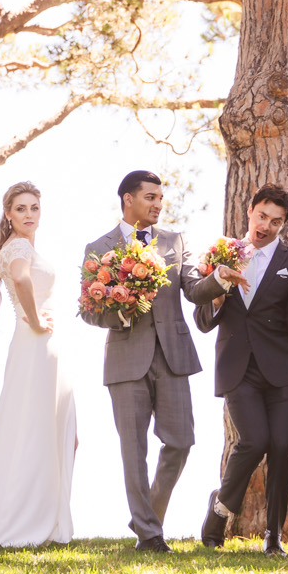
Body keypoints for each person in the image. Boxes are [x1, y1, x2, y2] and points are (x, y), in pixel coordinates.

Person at [187, 183, 288, 555]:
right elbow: (203, 321)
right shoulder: (221, 254)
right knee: (254, 440)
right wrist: (216, 291)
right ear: (249, 211)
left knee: (282, 446)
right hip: (238, 369)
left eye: (276, 222)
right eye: (262, 216)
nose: (266, 226)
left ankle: (273, 536)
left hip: (283, 372)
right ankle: (220, 509)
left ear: (283, 225)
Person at [79, 169, 204, 553]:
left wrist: (223, 280)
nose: (158, 205)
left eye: (160, 198)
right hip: (125, 359)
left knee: (181, 442)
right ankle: (150, 536)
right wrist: (120, 309)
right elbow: (87, 310)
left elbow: (195, 287)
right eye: (150, 197)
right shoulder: (98, 247)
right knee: (133, 451)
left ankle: (146, 514)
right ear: (127, 200)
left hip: (172, 356)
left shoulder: (174, 240)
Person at [0, 181, 75, 546]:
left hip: (40, 343)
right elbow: (19, 278)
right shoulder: (17, 246)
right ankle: (24, 518)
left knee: (37, 421)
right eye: (21, 208)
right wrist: (34, 319)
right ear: (8, 214)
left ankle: (36, 512)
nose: (29, 214)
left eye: (34, 208)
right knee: (33, 423)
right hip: (34, 338)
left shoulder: (23, 245)